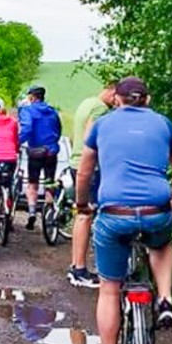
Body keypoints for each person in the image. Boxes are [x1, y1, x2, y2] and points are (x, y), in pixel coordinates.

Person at [74, 76, 172, 344]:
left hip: (114, 215)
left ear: (117, 99)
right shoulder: (164, 124)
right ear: (147, 100)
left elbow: (84, 171)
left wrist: (82, 205)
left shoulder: (101, 126)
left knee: (110, 289)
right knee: (162, 244)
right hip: (155, 211)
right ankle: (165, 300)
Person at [66, 81, 119, 288]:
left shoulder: (87, 102)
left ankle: (76, 266)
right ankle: (81, 269)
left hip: (75, 163)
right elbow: (91, 137)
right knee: (87, 215)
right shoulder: (99, 109)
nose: (116, 102)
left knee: (83, 215)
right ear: (111, 90)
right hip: (90, 167)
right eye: (116, 97)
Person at [17, 85, 64, 231]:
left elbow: (27, 128)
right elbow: (58, 129)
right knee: (50, 181)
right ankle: (50, 210)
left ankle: (32, 212)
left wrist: (17, 141)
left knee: (33, 183)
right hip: (51, 151)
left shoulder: (28, 110)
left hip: (35, 151)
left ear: (32, 97)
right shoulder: (52, 112)